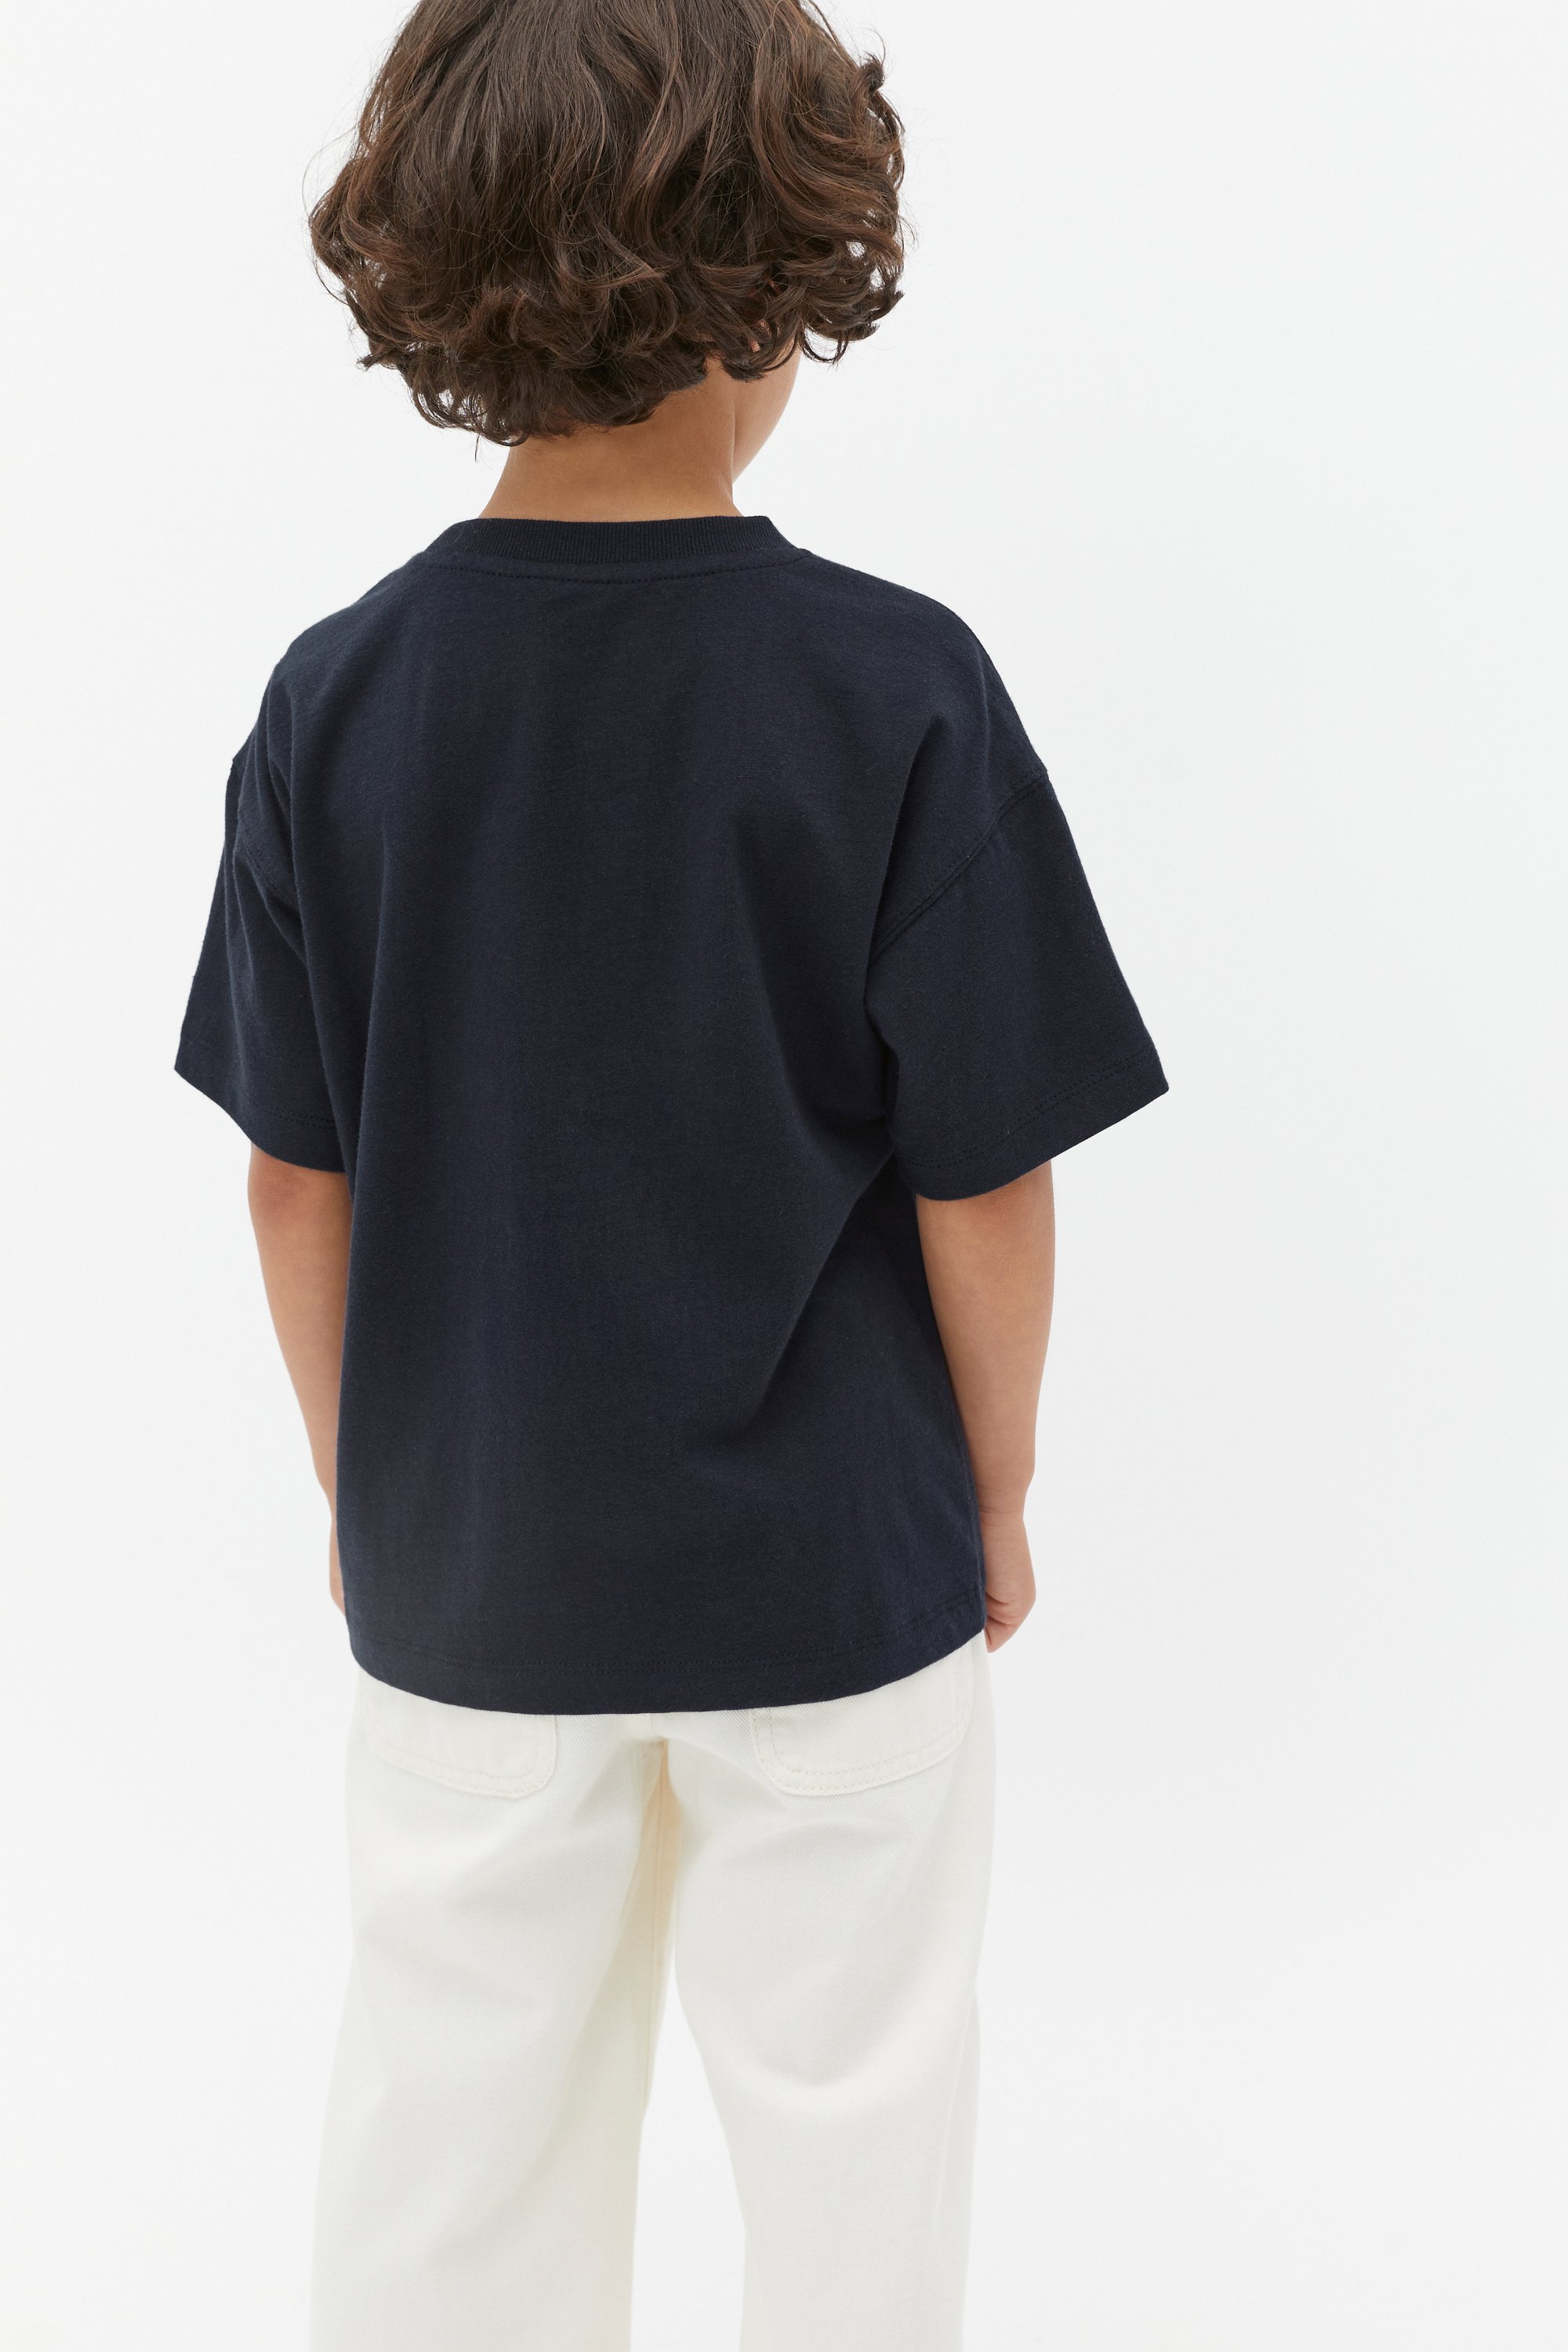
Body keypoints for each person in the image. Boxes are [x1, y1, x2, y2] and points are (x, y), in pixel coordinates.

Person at [175, 1, 1167, 2344]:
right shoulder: (899, 688)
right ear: (780, 278)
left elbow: (293, 1184)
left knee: (452, 2158)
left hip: (477, 1591)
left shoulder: (338, 697)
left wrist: (371, 1492)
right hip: (833, 1586)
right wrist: (997, 1489)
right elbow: (986, 1178)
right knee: (855, 2142)